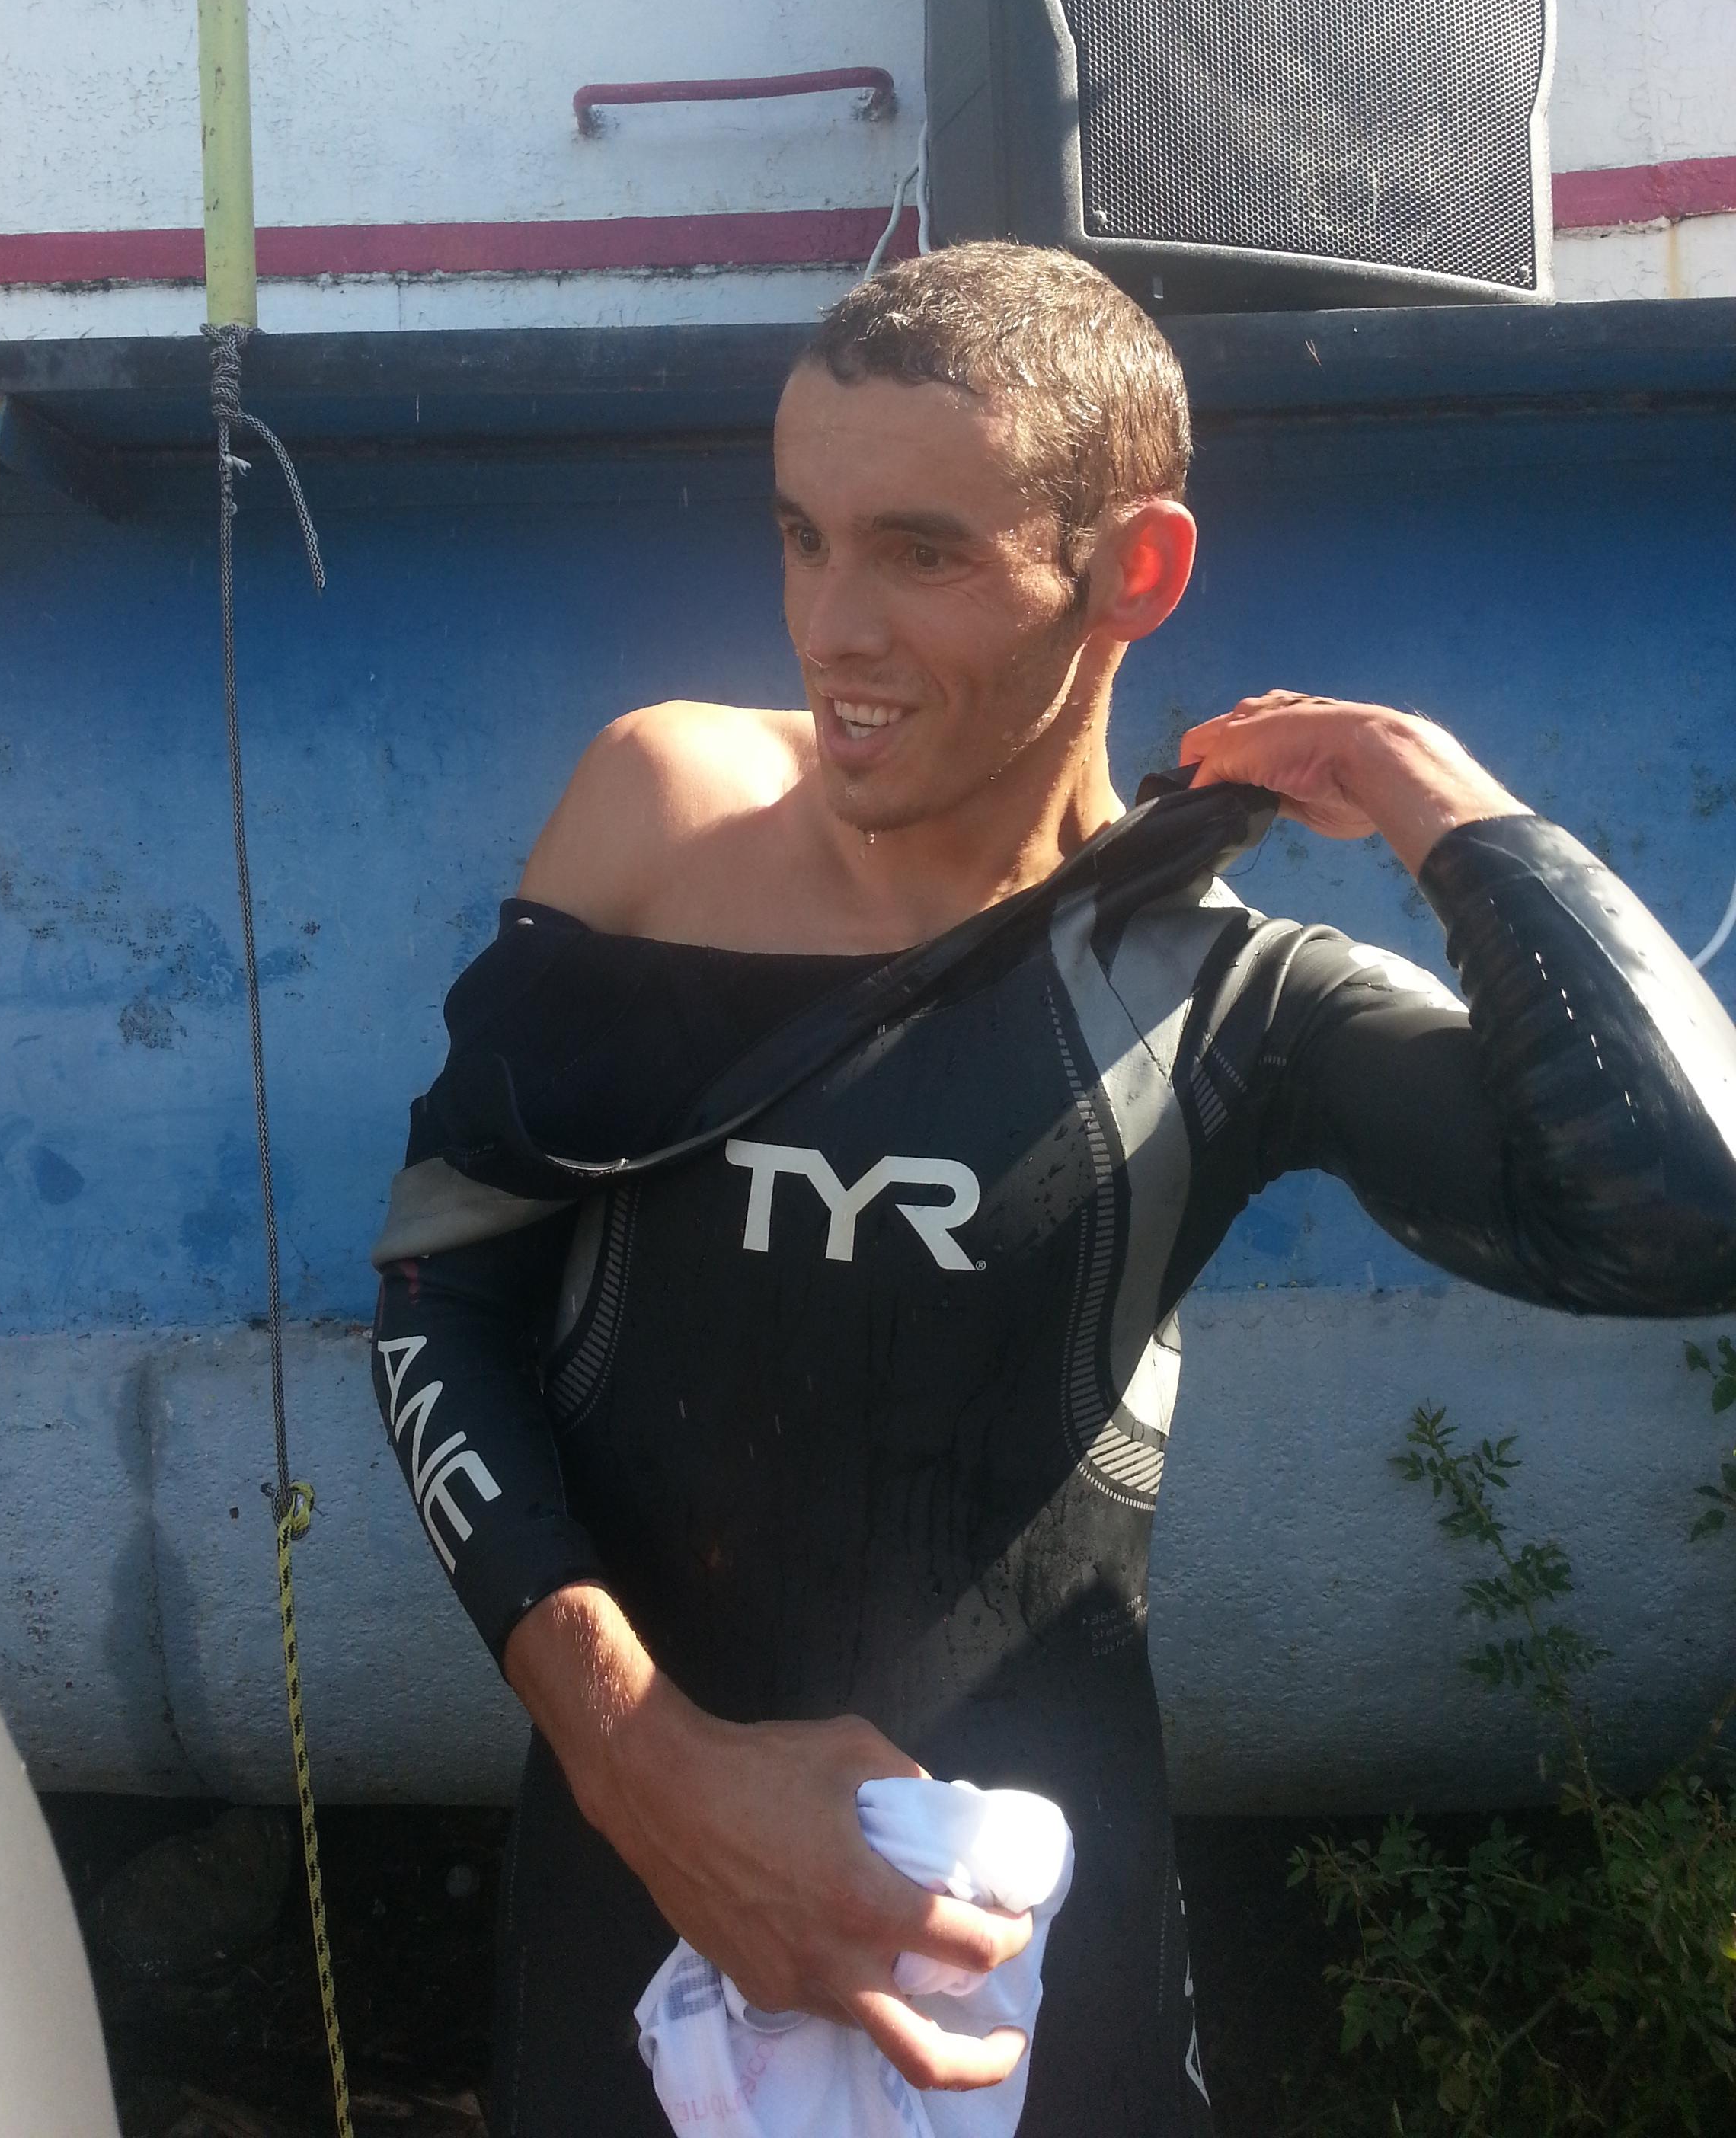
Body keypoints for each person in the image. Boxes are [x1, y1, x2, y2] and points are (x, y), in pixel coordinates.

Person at [369, 243, 1736, 2136]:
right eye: (801, 536)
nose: (831, 628)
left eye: (922, 553)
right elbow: (442, 1297)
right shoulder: (662, 811)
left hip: (1027, 1951)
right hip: (641, 1899)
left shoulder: (1227, 997)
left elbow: (1683, 1208)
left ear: (1134, 574)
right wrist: (643, 1763)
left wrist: (1432, 792)